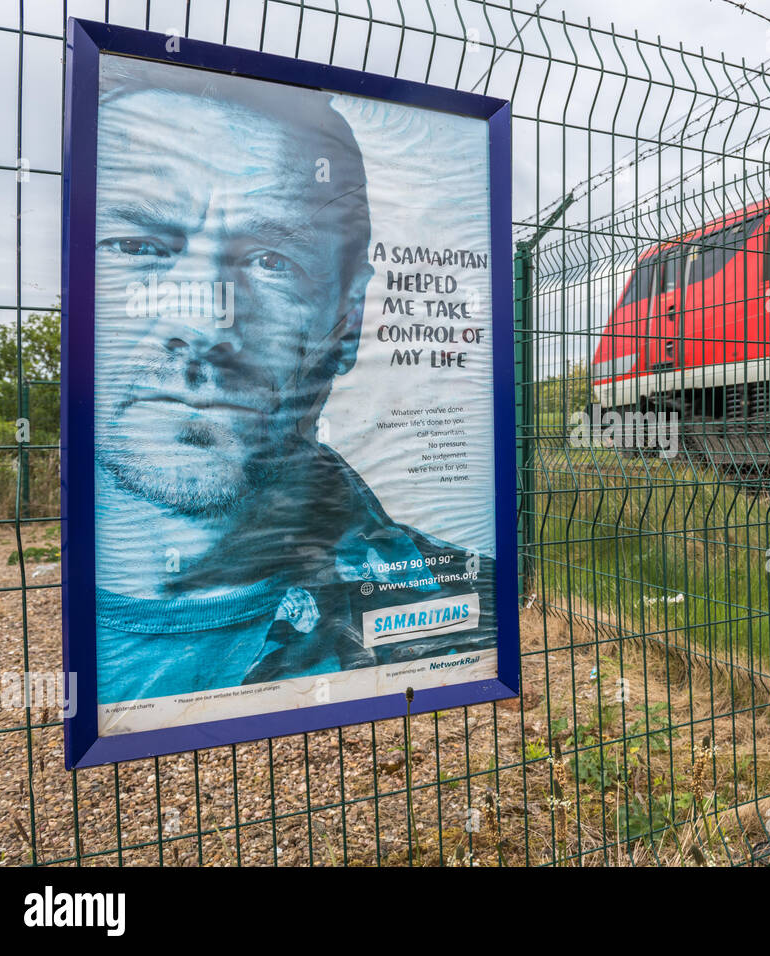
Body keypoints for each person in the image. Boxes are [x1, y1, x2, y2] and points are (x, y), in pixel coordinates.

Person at [91, 58, 494, 705]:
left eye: (271, 261)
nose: (202, 322)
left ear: (348, 321)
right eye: (138, 246)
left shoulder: (470, 616)